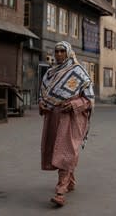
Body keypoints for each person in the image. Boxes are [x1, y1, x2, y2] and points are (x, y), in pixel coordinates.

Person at [38, 41, 94, 207]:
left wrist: (75, 104)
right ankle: (70, 182)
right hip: (53, 116)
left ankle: (60, 191)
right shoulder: (49, 73)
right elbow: (43, 94)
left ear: (69, 52)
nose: (59, 54)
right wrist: (41, 103)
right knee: (57, 149)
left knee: (66, 150)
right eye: (57, 51)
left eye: (62, 51)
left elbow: (89, 98)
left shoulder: (79, 72)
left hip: (71, 117)